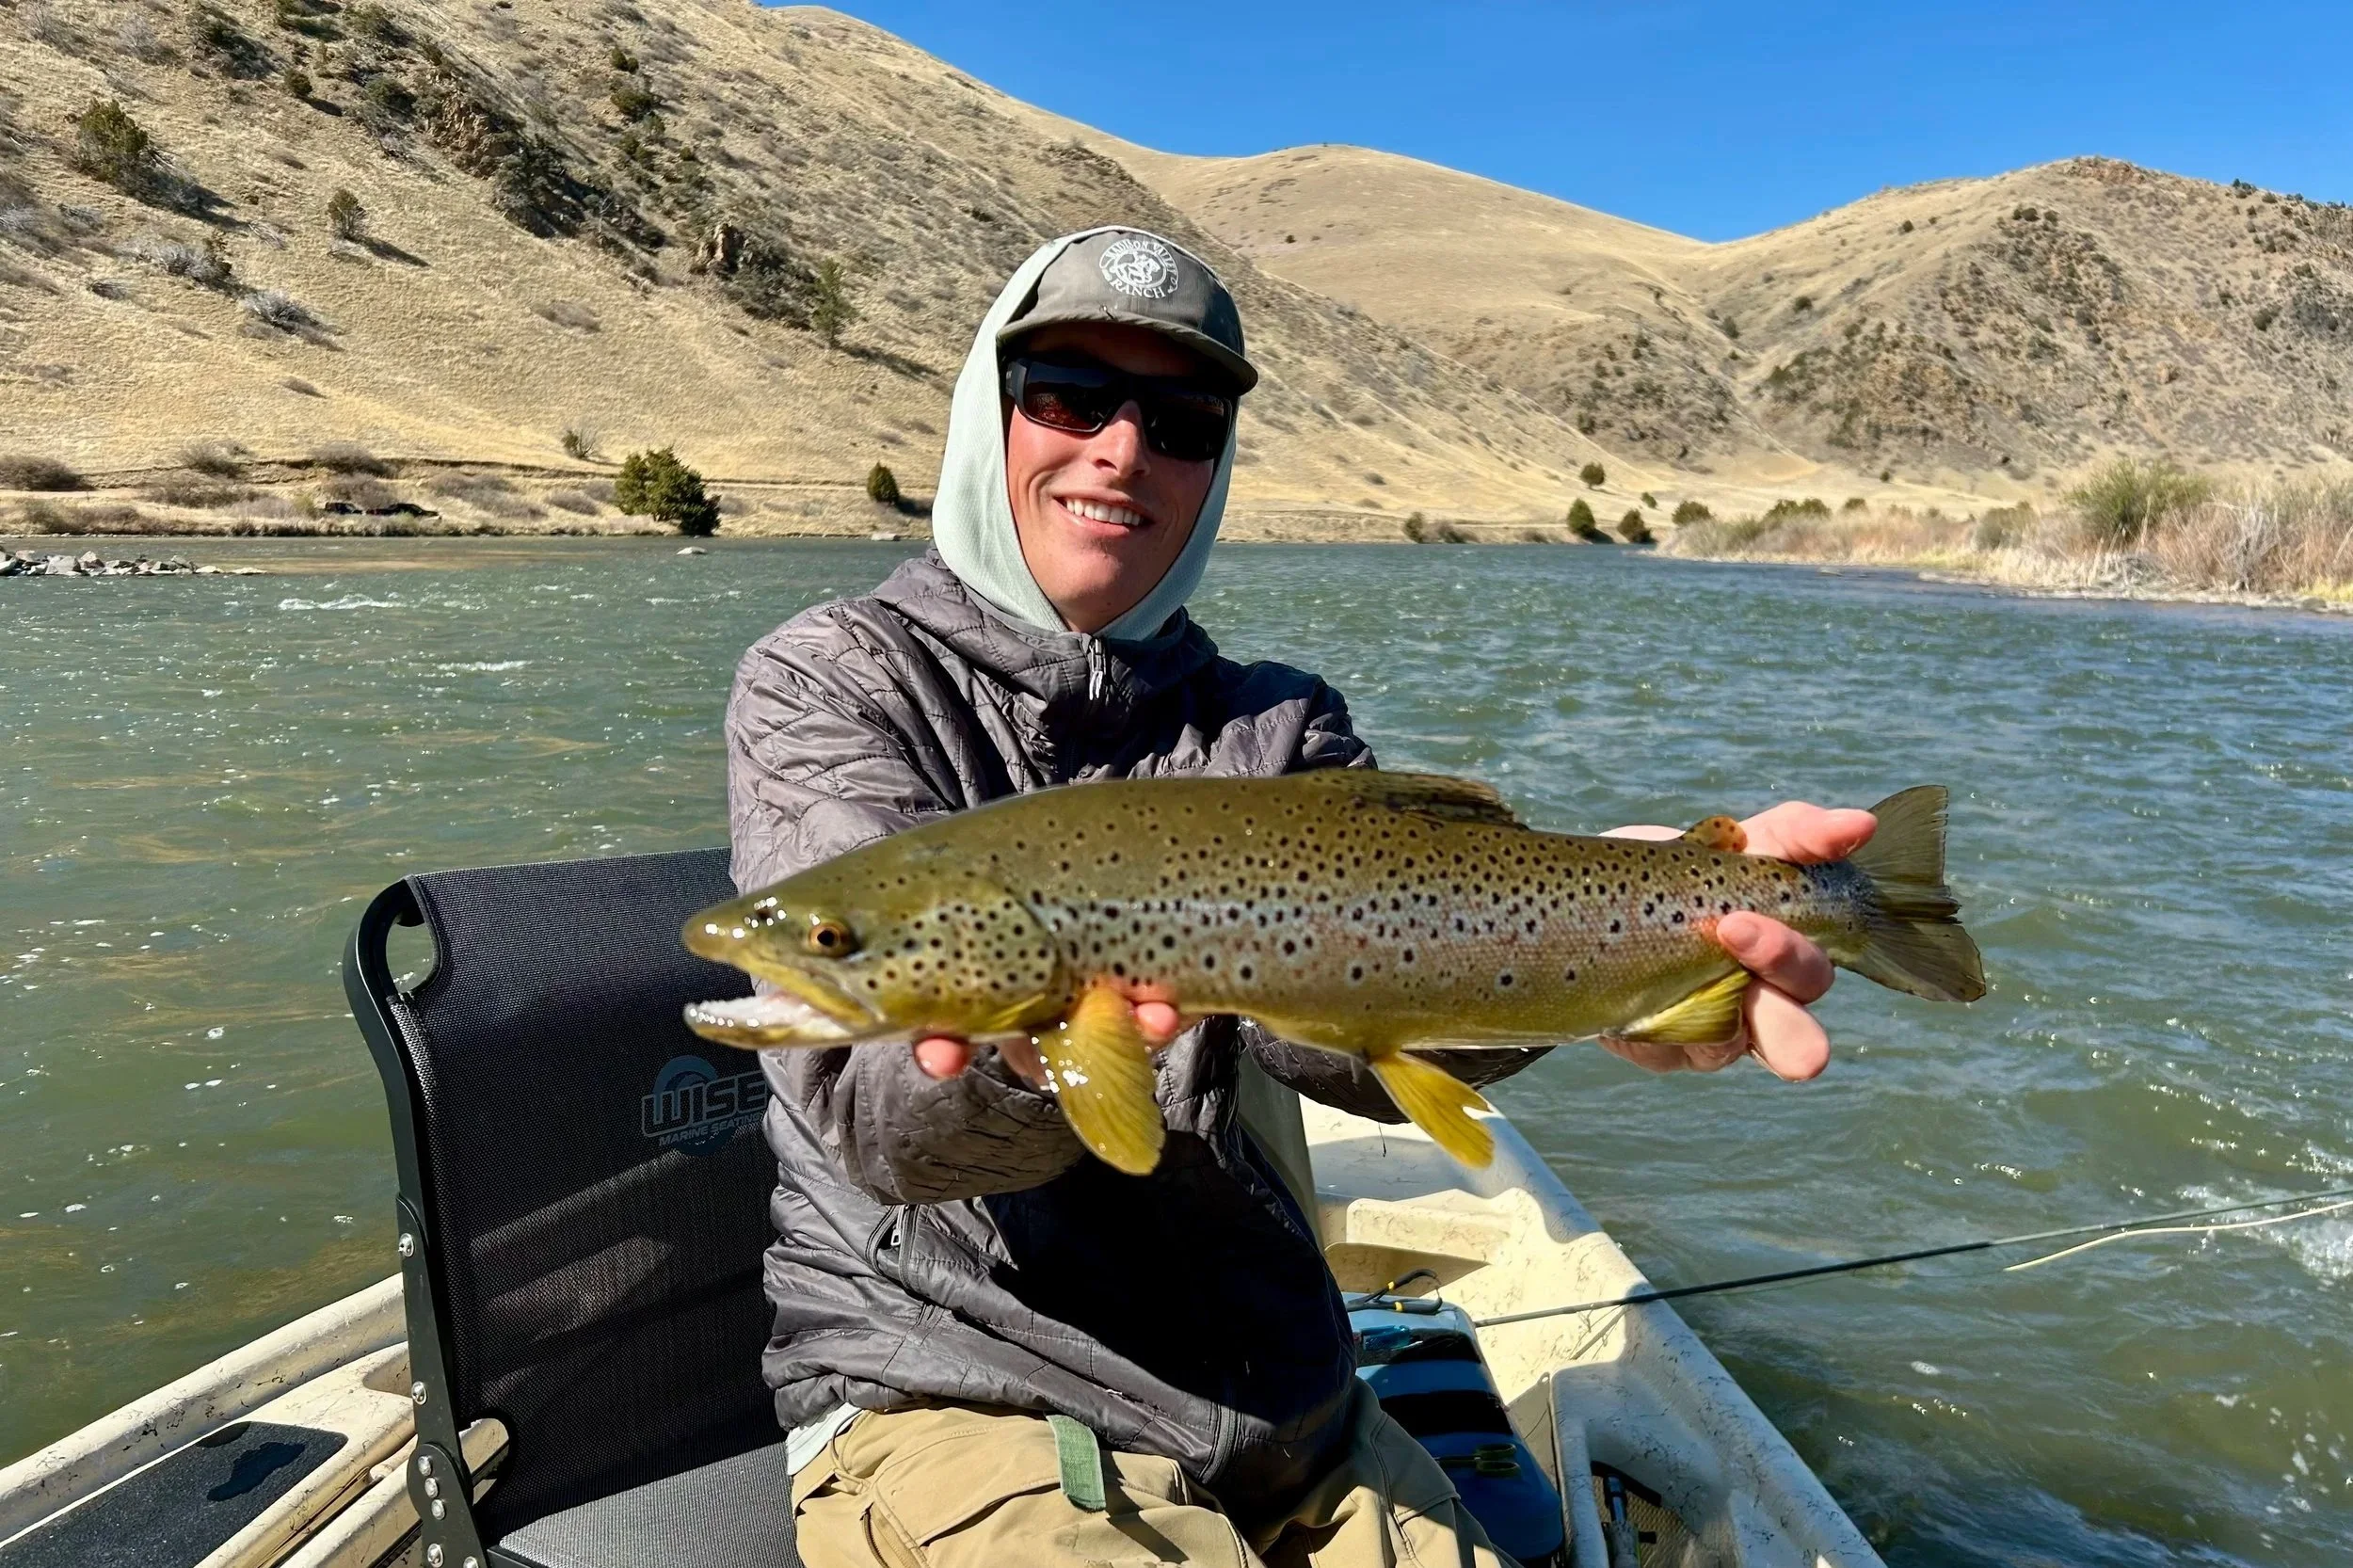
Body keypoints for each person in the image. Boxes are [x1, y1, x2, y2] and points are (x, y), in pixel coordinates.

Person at [726, 227, 1872, 1568]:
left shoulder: (1275, 724)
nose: (1120, 448)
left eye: (1181, 417)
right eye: (1071, 392)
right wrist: (1039, 1055)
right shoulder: (832, 680)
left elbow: (1349, 1048)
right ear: (993, 406)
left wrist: (1611, 960)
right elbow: (880, 1125)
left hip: (1290, 1409)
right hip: (968, 1394)